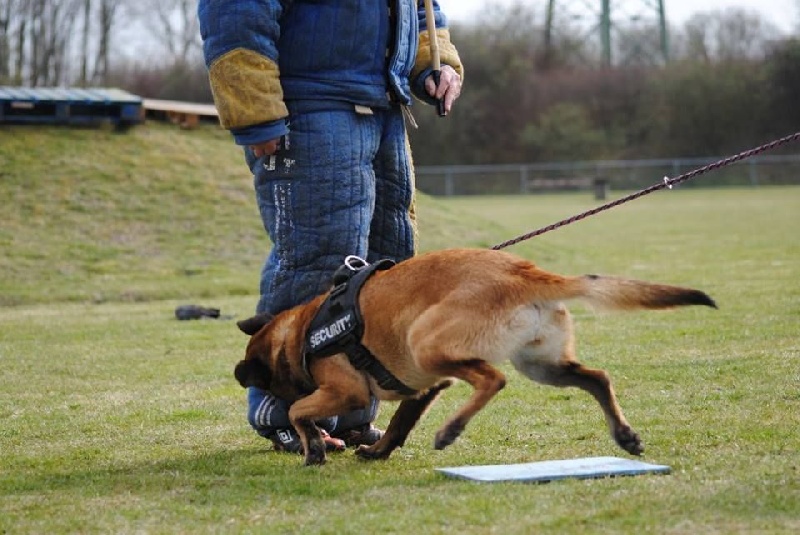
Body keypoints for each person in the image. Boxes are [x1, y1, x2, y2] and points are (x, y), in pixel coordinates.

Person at [198, 0, 464, 454]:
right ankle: (282, 409)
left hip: (383, 106)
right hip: (308, 110)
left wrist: (436, 66)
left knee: (386, 270)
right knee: (316, 261)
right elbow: (236, 12)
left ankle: (351, 408)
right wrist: (254, 109)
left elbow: (422, 12)